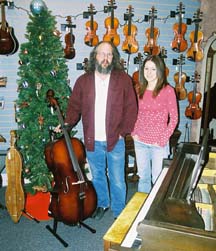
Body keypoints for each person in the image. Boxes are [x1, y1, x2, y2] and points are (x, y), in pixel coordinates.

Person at [57, 41, 138, 220]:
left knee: (117, 179)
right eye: (102, 54)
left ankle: (119, 210)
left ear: (114, 58)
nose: (105, 58)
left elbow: (131, 108)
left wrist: (122, 132)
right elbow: (74, 107)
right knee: (98, 176)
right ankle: (103, 203)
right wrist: (67, 124)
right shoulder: (83, 81)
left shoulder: (123, 79)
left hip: (115, 140)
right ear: (95, 56)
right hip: (92, 140)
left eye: (109, 54)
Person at [131, 55, 178, 193]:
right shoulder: (139, 89)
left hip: (158, 144)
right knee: (143, 178)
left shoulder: (168, 90)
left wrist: (162, 140)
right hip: (140, 142)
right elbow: (135, 113)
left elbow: (174, 119)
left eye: (153, 69)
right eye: (146, 68)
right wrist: (134, 133)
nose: (149, 72)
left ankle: (155, 212)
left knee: (158, 180)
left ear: (160, 70)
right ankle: (143, 210)